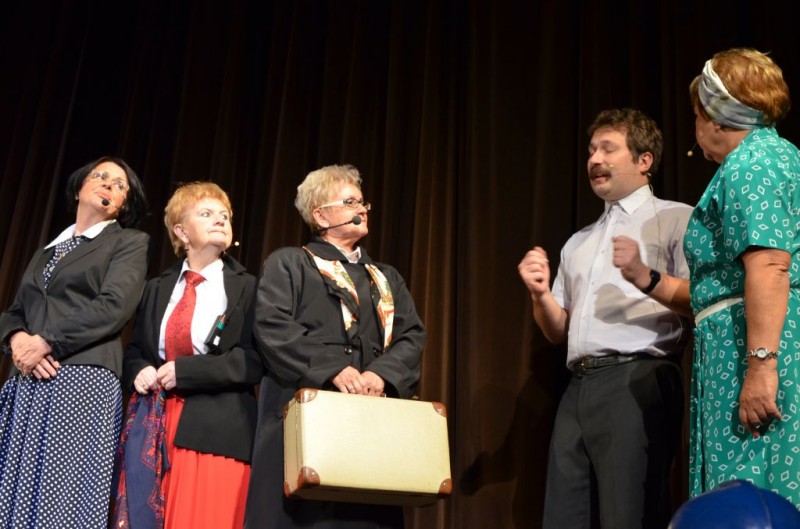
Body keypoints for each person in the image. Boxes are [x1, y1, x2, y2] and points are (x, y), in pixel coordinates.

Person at [615, 48, 800, 507]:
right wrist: (646, 278)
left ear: (718, 117)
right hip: (731, 348)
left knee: (754, 490)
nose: (695, 126)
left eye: (698, 115)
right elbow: (716, 293)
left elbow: (770, 265)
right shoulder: (758, 160)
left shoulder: (754, 162)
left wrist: (761, 366)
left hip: (756, 349)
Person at [517, 108, 694, 528]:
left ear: (644, 160)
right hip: (579, 385)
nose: (595, 159)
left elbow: (700, 299)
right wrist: (539, 294)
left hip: (638, 378)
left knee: (628, 514)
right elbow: (558, 330)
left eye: (608, 149)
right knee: (565, 515)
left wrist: (644, 275)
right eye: (591, 150)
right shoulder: (579, 241)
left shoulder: (677, 218)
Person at [244, 164, 426, 529]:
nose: (361, 209)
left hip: (368, 418)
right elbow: (272, 325)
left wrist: (381, 374)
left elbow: (411, 336)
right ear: (320, 215)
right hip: (302, 411)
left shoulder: (385, 277)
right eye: (349, 202)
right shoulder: (290, 262)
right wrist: (333, 368)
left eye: (362, 202)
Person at [0, 156, 149, 528]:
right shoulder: (48, 250)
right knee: (14, 491)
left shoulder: (128, 242)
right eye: (100, 176)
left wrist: (46, 342)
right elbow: (15, 311)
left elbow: (114, 306)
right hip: (28, 377)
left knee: (61, 498)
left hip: (82, 379)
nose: (109, 184)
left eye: (120, 185)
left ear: (123, 205)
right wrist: (17, 339)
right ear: (80, 187)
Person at [112, 182, 263, 528]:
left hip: (218, 430)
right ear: (181, 231)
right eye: (206, 214)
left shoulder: (249, 286)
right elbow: (136, 350)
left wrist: (187, 371)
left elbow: (255, 359)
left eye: (224, 215)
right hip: (156, 426)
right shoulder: (156, 287)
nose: (220, 220)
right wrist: (140, 370)